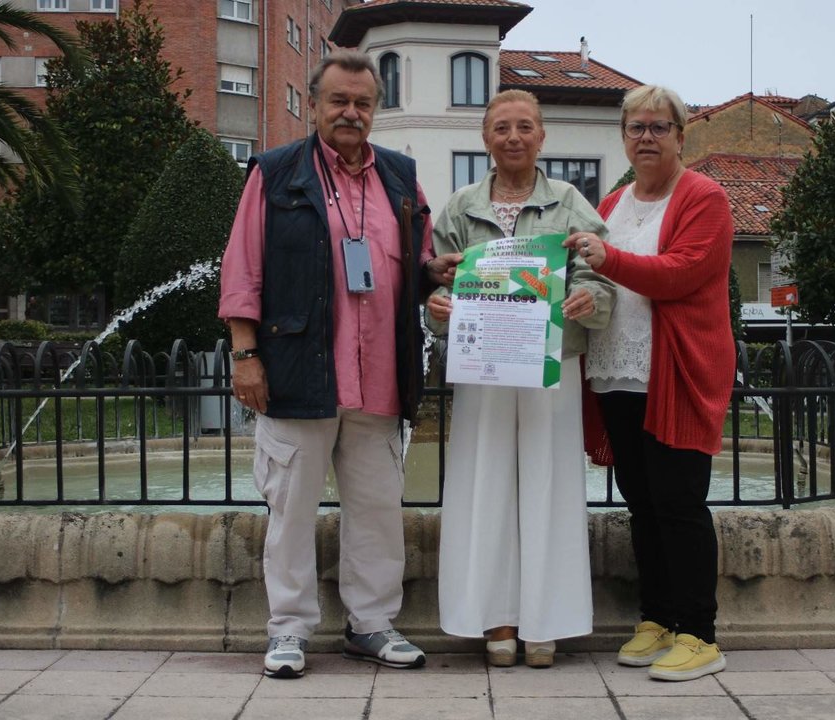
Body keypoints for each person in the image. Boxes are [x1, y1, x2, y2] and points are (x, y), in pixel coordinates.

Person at [218, 50, 459, 680]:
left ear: (375, 110)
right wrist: (246, 356)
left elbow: (422, 259)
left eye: (363, 103)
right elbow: (243, 271)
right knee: (291, 510)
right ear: (316, 103)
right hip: (299, 370)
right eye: (338, 101)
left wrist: (438, 275)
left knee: (378, 512)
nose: (351, 113)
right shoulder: (274, 174)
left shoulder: (402, 177)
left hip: (382, 375)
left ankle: (371, 625)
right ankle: (289, 630)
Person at [426, 89, 615, 668]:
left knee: (551, 485)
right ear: (486, 138)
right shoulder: (459, 207)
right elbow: (439, 278)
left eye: (525, 127)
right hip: (483, 365)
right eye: (502, 127)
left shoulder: (570, 203)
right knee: (482, 486)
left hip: (551, 362)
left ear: (542, 136)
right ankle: (496, 619)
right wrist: (438, 304)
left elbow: (601, 273)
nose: (513, 137)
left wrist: (590, 297)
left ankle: (545, 621)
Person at [564, 84, 735, 682]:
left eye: (659, 127)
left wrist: (606, 263)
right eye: (635, 127)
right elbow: (594, 278)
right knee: (642, 503)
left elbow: (682, 274)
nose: (646, 137)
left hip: (675, 370)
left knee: (679, 502)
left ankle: (700, 633)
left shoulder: (704, 198)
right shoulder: (610, 205)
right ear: (623, 137)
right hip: (616, 371)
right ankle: (658, 616)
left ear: (681, 137)